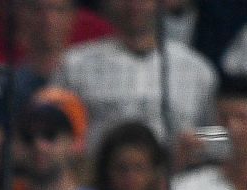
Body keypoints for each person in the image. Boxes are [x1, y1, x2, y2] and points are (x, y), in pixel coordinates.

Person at [57, 0, 216, 151]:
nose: (134, 4)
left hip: (177, 176)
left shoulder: (198, 69)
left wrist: (198, 138)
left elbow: (221, 134)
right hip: (96, 176)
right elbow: (53, 129)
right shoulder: (74, 64)